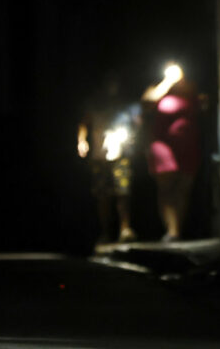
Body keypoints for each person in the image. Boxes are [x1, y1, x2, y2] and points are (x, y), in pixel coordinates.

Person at [141, 64, 204, 243]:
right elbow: (146, 103)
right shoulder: (157, 89)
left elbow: (203, 107)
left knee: (183, 189)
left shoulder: (191, 89)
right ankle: (172, 231)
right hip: (163, 146)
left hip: (188, 145)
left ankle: (177, 229)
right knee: (166, 188)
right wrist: (168, 81)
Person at [77, 72, 141, 244]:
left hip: (121, 155)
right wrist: (82, 141)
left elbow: (138, 123)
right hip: (100, 156)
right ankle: (105, 232)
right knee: (102, 195)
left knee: (123, 192)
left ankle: (125, 229)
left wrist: (134, 138)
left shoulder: (126, 104)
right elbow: (84, 122)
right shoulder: (94, 103)